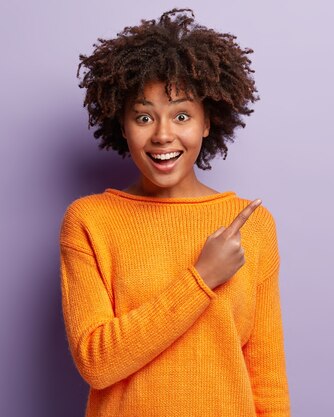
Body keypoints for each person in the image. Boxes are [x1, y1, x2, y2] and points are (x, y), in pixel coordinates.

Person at [59, 8, 290, 417]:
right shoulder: (90, 221)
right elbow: (97, 362)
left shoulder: (252, 226)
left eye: (181, 115)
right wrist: (202, 278)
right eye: (144, 117)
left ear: (207, 122)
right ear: (123, 124)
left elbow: (267, 382)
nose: (163, 134)